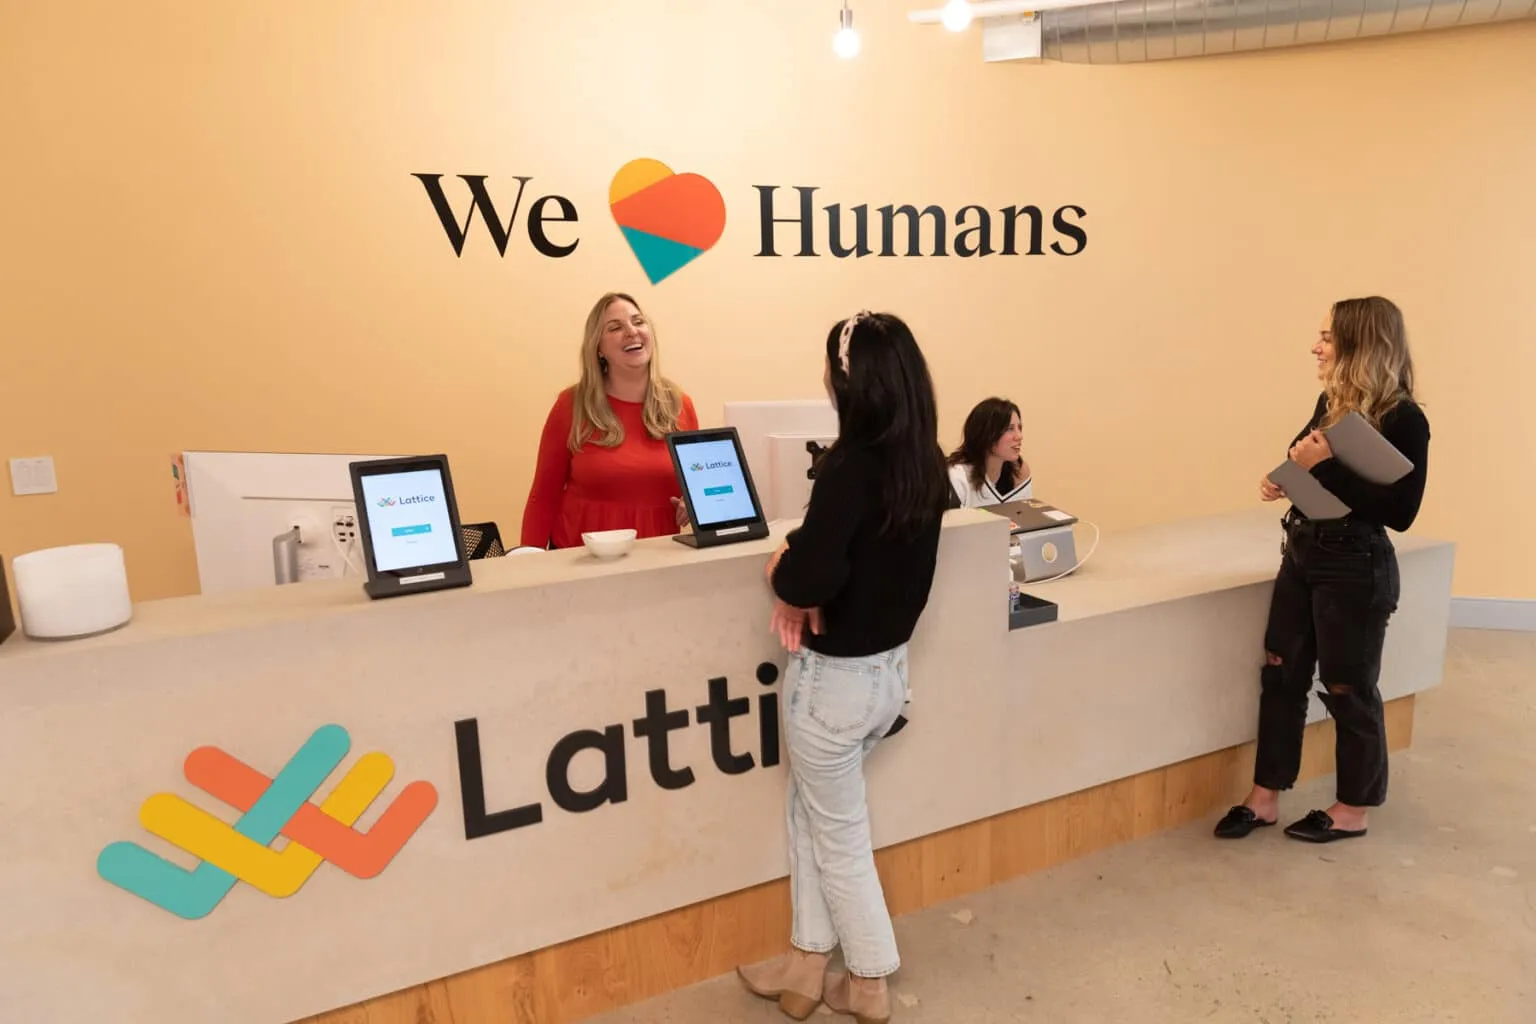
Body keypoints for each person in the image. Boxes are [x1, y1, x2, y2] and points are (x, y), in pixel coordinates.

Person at [736, 311, 951, 1024]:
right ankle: (804, 967)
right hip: (887, 677)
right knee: (811, 815)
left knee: (838, 834)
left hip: (833, 685)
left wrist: (782, 571)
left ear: (850, 382)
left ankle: (867, 978)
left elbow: (805, 578)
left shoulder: (851, 467)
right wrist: (807, 564)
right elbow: (846, 555)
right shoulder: (922, 464)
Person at [1215, 296, 1430, 844]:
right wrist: (1283, 478)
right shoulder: (1332, 403)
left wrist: (1323, 465)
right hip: (1305, 553)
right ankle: (1265, 797)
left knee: (1348, 686)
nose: (1317, 346)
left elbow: (1400, 512)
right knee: (1281, 671)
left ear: (1361, 344)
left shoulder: (1405, 419)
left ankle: (1352, 808)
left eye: (1328, 338)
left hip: (1355, 567)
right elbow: (1310, 467)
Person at [520, 292, 697, 549]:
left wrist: (691, 503)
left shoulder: (680, 405)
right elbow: (543, 496)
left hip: (657, 559)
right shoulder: (571, 405)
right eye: (615, 328)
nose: (631, 332)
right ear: (599, 348)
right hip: (579, 560)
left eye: (638, 322)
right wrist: (530, 561)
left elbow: (694, 488)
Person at [945, 397, 1032, 508]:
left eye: (1019, 428)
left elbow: (1026, 520)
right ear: (986, 434)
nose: (1019, 436)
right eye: (1010, 429)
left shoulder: (1020, 471)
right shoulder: (957, 476)